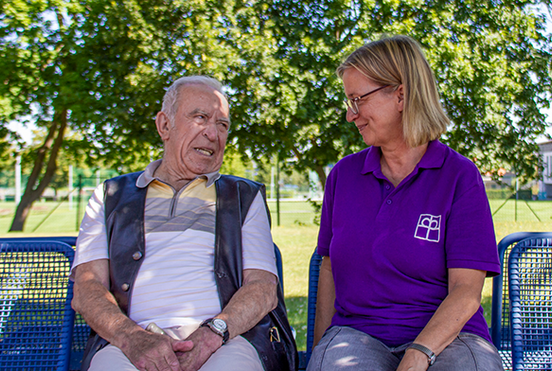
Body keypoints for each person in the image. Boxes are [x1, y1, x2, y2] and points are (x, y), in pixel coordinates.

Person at [70, 75, 296, 371]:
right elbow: (87, 289)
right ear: (164, 125)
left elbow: (263, 288)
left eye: (222, 125)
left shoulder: (242, 197)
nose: (213, 134)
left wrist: (212, 334)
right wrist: (132, 338)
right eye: (200, 117)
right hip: (129, 343)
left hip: (225, 341)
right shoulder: (110, 197)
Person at [307, 35, 504, 371]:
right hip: (356, 335)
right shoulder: (344, 175)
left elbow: (466, 292)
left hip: (451, 339)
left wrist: (418, 355)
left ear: (401, 95)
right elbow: (328, 268)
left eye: (357, 100)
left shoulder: (458, 176)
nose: (349, 115)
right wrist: (319, 353)